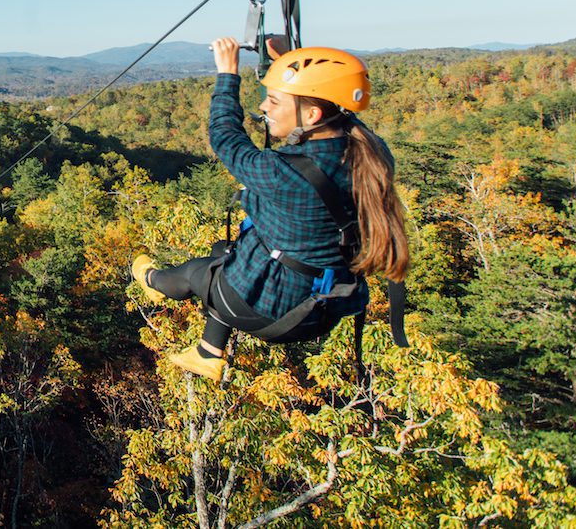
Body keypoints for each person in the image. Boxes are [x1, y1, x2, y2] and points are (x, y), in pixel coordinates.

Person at [133, 37, 409, 382]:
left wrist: (227, 74)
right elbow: (345, 115)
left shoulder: (285, 171)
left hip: (273, 309)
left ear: (312, 114)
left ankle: (150, 280)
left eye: (274, 100)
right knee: (228, 253)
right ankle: (208, 352)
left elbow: (225, 137)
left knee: (198, 273)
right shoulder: (373, 154)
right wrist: (292, 65)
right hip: (325, 304)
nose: (264, 107)